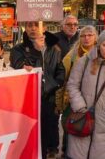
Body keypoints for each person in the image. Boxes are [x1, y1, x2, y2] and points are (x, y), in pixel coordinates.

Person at [66, 29, 105, 159]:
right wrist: (80, 107)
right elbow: (72, 85)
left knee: (101, 152)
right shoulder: (84, 61)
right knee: (79, 151)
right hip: (83, 115)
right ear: (99, 44)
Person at [10, 21, 65, 158]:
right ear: (25, 28)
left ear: (44, 28)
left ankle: (50, 150)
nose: (33, 28)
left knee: (49, 130)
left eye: (36, 25)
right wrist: (35, 50)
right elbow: (19, 66)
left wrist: (54, 85)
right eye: (29, 25)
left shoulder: (54, 48)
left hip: (49, 97)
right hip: (29, 99)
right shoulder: (18, 49)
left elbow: (60, 69)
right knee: (32, 133)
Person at [57, 25, 97, 156]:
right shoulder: (72, 56)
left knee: (90, 131)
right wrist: (60, 102)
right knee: (71, 128)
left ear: (95, 37)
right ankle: (66, 152)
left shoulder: (101, 53)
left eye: (90, 35)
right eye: (83, 36)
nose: (86, 38)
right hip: (73, 100)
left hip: (94, 100)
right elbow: (62, 79)